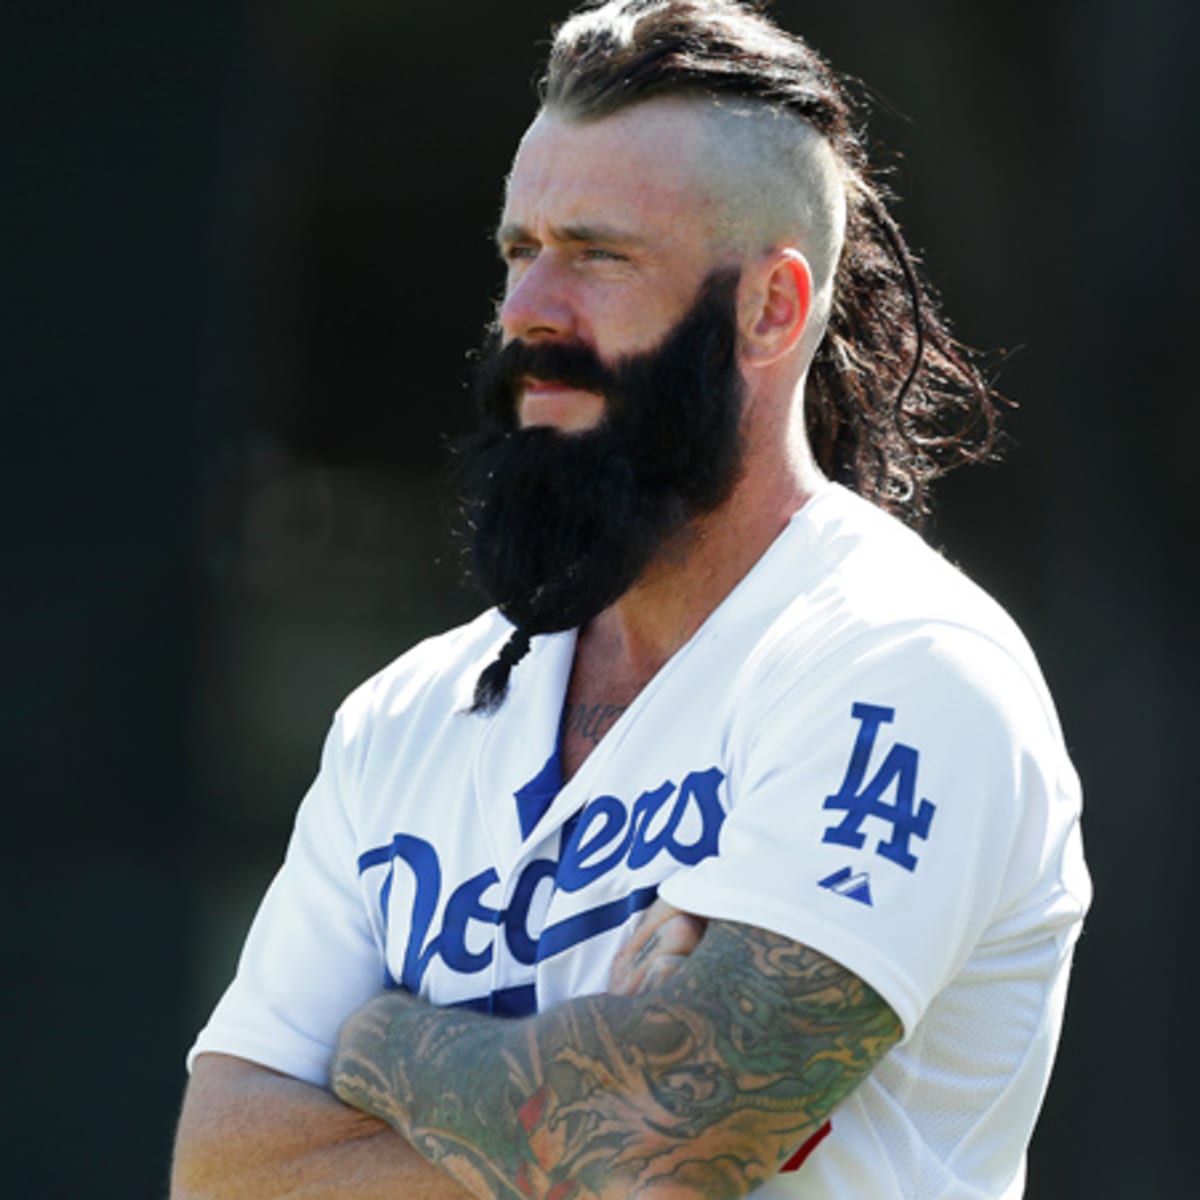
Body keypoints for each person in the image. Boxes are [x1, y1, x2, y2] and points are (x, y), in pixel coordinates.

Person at [171, 2, 1090, 1197]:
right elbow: (223, 1167)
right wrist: (573, 1097)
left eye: (599, 256)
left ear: (770, 308)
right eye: (520, 251)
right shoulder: (404, 718)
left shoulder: (904, 666)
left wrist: (380, 1041)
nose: (529, 310)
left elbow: (656, 1144)